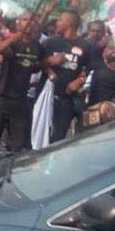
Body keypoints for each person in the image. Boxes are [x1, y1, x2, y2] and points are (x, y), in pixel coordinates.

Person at [0, 11, 45, 152]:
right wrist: (13, 38)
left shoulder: (38, 46)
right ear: (18, 23)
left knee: (16, 145)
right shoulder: (12, 42)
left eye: (32, 21)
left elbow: (36, 67)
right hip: (2, 97)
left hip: (21, 99)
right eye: (25, 20)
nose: (29, 23)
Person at [44, 10, 90, 142]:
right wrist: (50, 66)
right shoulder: (50, 42)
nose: (57, 23)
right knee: (55, 136)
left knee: (82, 136)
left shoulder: (86, 46)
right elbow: (37, 63)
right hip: (54, 97)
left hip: (75, 98)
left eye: (60, 20)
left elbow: (92, 68)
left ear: (69, 23)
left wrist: (80, 79)